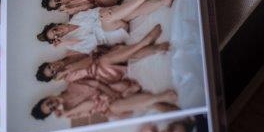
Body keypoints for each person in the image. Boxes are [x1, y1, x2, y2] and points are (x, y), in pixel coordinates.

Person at [36, 0, 176, 49]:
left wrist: (105, 13)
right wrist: (66, 42)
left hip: (113, 15)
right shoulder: (72, 44)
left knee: (126, 14)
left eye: (55, 30)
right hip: (110, 34)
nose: (59, 32)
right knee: (108, 17)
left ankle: (163, 2)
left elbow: (96, 11)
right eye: (57, 36)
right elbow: (93, 42)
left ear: (55, 25)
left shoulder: (76, 18)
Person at [36, 26, 169, 86]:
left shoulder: (69, 53)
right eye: (52, 72)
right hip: (103, 72)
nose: (54, 68)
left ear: (50, 62)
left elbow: (89, 47)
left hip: (101, 54)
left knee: (117, 53)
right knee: (106, 60)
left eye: (50, 66)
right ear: (55, 76)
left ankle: (155, 49)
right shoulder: (69, 77)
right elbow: (89, 64)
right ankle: (144, 42)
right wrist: (67, 70)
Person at [31, 81, 177, 124]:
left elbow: (97, 85)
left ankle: (159, 99)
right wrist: (67, 112)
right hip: (107, 106)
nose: (52, 105)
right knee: (115, 106)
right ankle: (157, 101)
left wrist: (111, 94)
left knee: (118, 101)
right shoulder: (69, 113)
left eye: (48, 103)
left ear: (48, 97)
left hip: (110, 90)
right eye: (51, 108)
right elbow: (91, 106)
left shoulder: (71, 86)